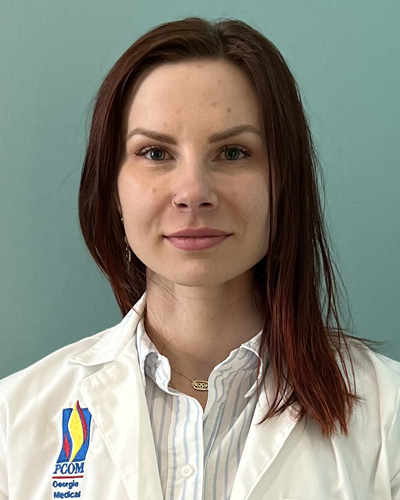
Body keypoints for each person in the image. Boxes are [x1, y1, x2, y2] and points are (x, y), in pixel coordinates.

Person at [0, 16, 399, 500]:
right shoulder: (14, 422)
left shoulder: (388, 415)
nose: (193, 192)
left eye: (232, 152)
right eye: (154, 153)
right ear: (111, 190)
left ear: (285, 184)